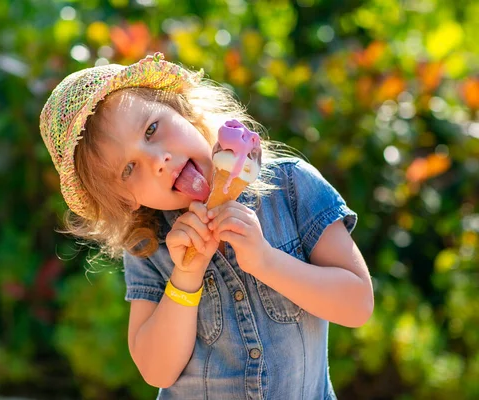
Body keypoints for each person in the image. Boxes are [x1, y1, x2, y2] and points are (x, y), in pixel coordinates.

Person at [39, 52, 374, 399]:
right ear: (126, 199)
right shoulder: (149, 244)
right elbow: (157, 370)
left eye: (152, 129)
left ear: (181, 109)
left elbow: (357, 304)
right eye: (129, 169)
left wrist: (265, 261)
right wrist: (184, 278)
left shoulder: (291, 187)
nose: (158, 160)